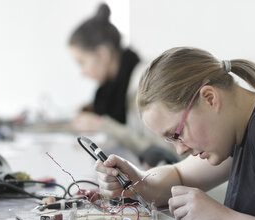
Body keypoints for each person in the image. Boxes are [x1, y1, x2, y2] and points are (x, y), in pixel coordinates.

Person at [94, 47, 255, 220]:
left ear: (209, 99)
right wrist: (137, 181)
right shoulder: (239, 132)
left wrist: (223, 219)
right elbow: (178, 174)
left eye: (177, 134)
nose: (180, 150)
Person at [68, 3, 177, 167]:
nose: (82, 72)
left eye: (82, 62)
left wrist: (103, 126)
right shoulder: (120, 86)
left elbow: (167, 151)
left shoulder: (145, 82)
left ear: (103, 54)